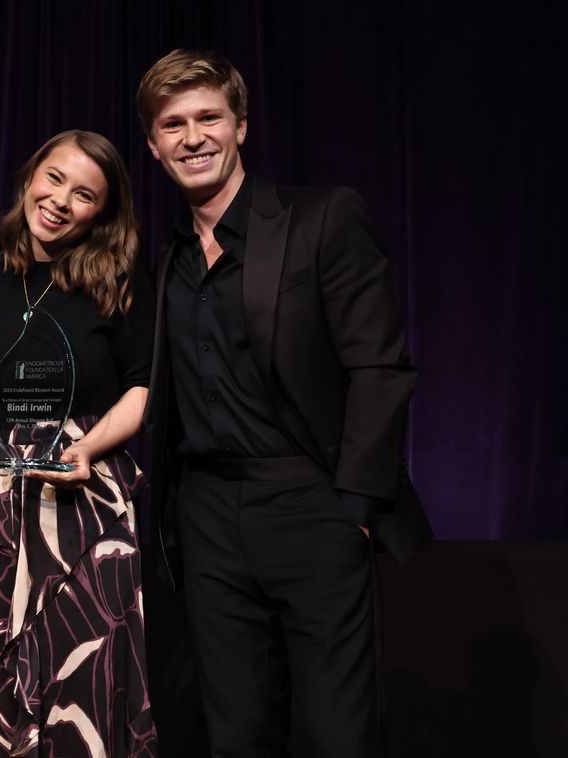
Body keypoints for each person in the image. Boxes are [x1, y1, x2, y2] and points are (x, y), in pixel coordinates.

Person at [137, 49, 433, 757]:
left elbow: (381, 368)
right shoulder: (167, 261)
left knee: (338, 732)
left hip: (311, 503)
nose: (192, 136)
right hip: (207, 516)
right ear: (153, 146)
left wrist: (353, 510)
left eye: (209, 117)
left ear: (241, 126)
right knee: (236, 734)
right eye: (173, 124)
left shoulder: (320, 219)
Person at [0, 130, 159, 757]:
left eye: (84, 194)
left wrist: (87, 448)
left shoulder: (118, 279)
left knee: (78, 684)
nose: (60, 201)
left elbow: (142, 388)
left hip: (84, 505)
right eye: (53, 179)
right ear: (30, 177)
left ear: (102, 213)